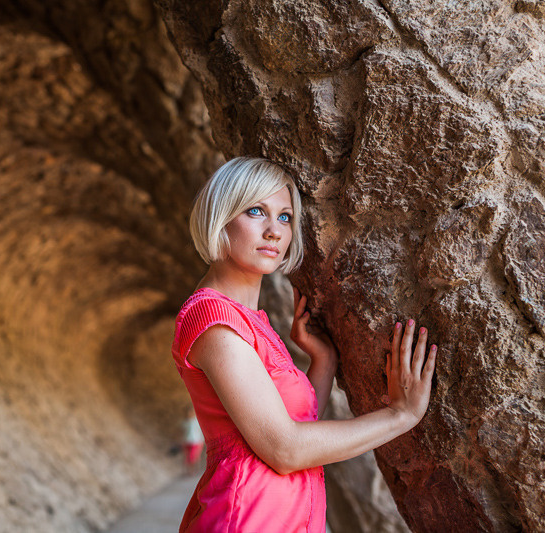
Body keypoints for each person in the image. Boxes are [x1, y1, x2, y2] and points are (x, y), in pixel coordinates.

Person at [171, 157, 437, 532]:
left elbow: (290, 423)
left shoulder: (248, 320)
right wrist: (401, 415)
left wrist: (323, 361)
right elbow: (284, 448)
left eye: (285, 217)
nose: (274, 231)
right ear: (222, 217)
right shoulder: (215, 321)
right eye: (256, 211)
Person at [182, 407, 205, 475]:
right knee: (188, 457)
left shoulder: (197, 421)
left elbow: (201, 431)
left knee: (194, 457)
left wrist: (202, 441)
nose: (189, 414)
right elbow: (183, 432)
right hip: (187, 441)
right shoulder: (185, 422)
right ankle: (190, 470)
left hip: (196, 441)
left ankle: (194, 470)